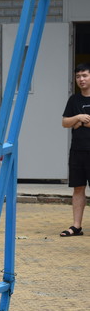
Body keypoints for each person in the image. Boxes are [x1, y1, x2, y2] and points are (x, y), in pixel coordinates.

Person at [60, 63, 90, 237]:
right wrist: (78, 117)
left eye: (85, 75)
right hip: (77, 151)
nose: (81, 79)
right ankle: (76, 226)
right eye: (78, 76)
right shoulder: (74, 100)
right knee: (78, 188)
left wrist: (81, 124)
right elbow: (65, 122)